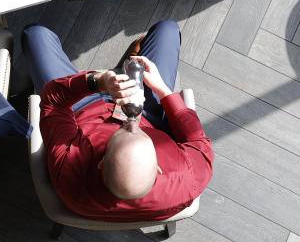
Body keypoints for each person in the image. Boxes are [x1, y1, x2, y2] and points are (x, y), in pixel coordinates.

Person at [21, 21, 214, 221]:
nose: (130, 121)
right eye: (139, 132)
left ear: (101, 163)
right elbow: (197, 140)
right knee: (168, 29)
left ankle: (121, 69)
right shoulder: (188, 180)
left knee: (34, 34)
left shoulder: (70, 171)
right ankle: (135, 60)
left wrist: (97, 82)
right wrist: (163, 90)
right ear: (157, 168)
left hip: (82, 110)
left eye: (122, 131)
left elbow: (53, 101)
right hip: (149, 113)